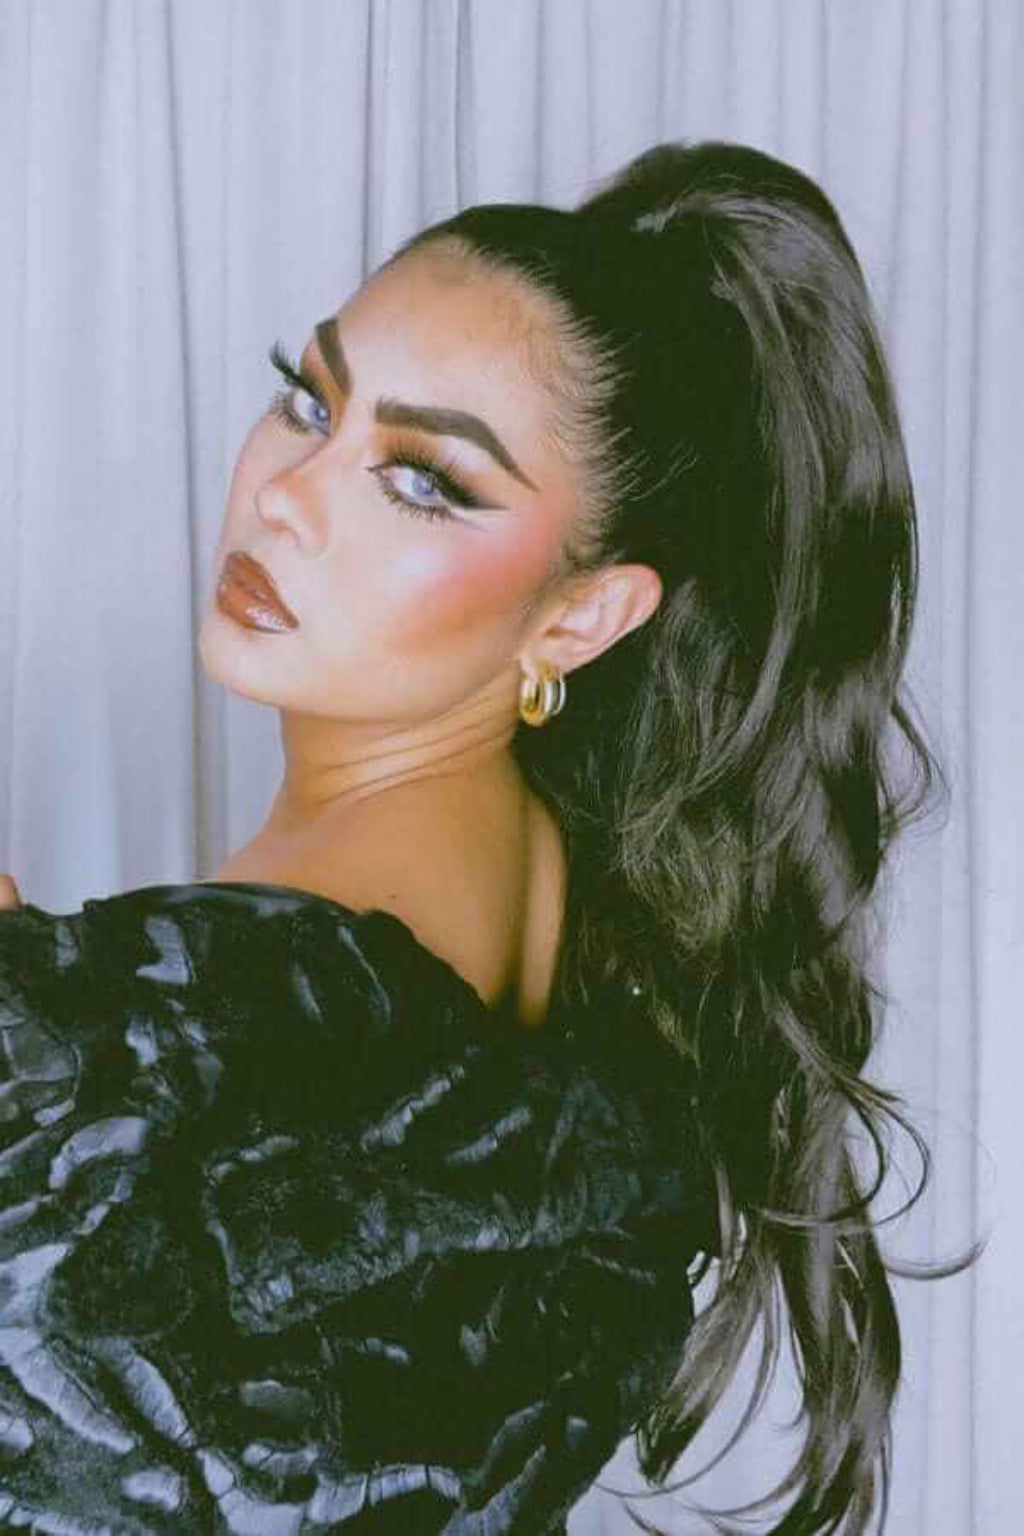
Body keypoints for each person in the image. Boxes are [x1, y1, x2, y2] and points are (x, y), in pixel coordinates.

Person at [0, 140, 971, 1534]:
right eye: (308, 399)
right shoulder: (584, 949)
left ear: (585, 616)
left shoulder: (158, 1019)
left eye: (422, 479)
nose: (284, 495)